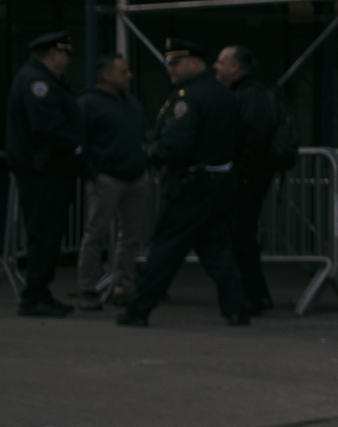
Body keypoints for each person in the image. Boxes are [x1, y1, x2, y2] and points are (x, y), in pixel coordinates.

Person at [113, 38, 252, 329]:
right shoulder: (223, 94)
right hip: (218, 184)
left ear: (194, 63)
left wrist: (152, 150)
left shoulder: (188, 97)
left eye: (175, 63)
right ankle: (236, 309)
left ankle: (138, 309)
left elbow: (176, 145)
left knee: (165, 249)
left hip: (190, 186)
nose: (170, 70)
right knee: (217, 250)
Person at [3, 29, 83, 317]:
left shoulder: (41, 79)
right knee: (45, 235)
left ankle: (40, 292)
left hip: (47, 171)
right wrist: (76, 147)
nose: (68, 60)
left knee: (48, 235)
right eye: (66, 54)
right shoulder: (38, 82)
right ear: (54, 54)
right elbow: (47, 127)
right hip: (44, 172)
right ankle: (35, 295)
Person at [73, 52, 153, 306]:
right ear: (106, 75)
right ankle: (87, 288)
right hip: (107, 177)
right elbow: (79, 141)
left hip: (134, 176)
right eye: (123, 72)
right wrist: (93, 175)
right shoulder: (88, 103)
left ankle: (124, 287)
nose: (129, 76)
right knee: (95, 233)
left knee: (131, 236)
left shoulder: (131, 103)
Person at [215, 45, 284, 316]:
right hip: (245, 177)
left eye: (221, 62)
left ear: (235, 68)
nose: (215, 66)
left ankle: (254, 294)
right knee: (238, 236)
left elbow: (254, 138)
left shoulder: (250, 96)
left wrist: (240, 174)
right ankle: (249, 292)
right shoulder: (242, 94)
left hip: (246, 179)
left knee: (241, 236)